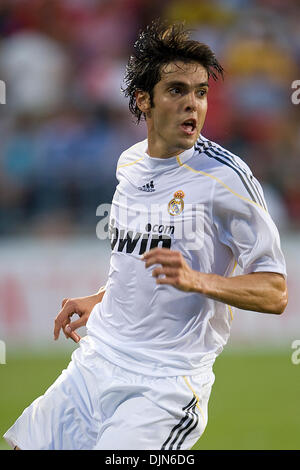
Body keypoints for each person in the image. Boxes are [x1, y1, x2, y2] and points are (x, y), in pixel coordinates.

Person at [4, 19, 288, 451]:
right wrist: (101, 298)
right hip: (97, 359)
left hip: (163, 385)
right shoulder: (130, 164)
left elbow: (275, 291)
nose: (193, 104)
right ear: (144, 100)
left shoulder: (227, 179)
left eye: (200, 92)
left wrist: (198, 280)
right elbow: (138, 260)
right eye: (177, 90)